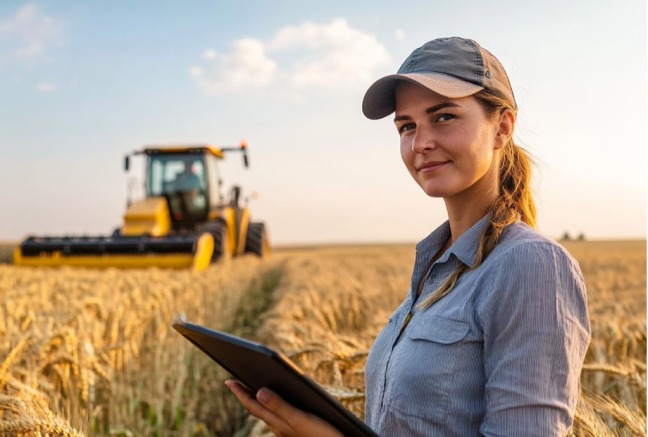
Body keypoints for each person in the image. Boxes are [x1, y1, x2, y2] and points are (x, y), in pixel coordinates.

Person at [226, 37, 591, 437]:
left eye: (444, 117)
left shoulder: (531, 265)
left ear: (502, 127)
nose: (420, 143)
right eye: (406, 126)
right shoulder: (436, 264)